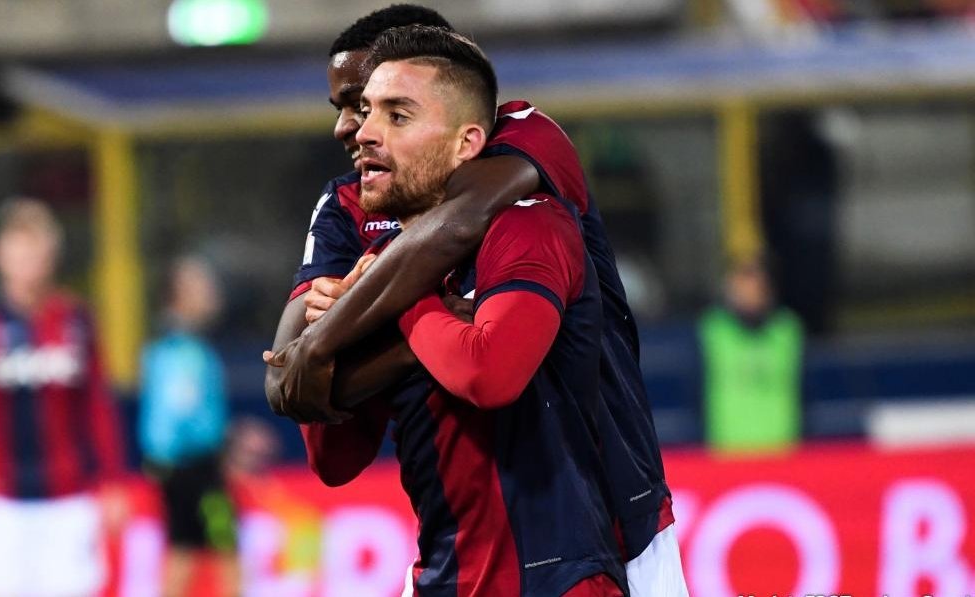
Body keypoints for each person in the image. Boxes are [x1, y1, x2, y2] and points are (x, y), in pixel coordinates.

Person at [263, 5, 687, 595]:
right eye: (355, 109)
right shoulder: (348, 209)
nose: (353, 130)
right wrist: (327, 348)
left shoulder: (524, 151)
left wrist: (363, 318)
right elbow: (296, 386)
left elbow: (459, 230)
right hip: (450, 561)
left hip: (618, 522)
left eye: (383, 108)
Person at [0, 198, 125, 597]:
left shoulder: (76, 320)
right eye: (18, 251)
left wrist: (112, 481)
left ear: (51, 257)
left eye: (35, 251)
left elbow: (97, 404)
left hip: (69, 499)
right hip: (3, 501)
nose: (27, 262)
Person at [137, 254, 239, 597]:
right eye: (201, 284)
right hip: (194, 470)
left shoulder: (175, 346)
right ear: (179, 294)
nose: (211, 291)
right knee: (222, 549)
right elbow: (180, 414)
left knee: (186, 549)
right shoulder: (183, 351)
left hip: (184, 469)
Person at [699, 254, 804, 453]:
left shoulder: (788, 330)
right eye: (741, 289)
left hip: (782, 450)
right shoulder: (712, 330)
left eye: (756, 289)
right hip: (726, 451)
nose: (748, 297)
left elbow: (805, 389)